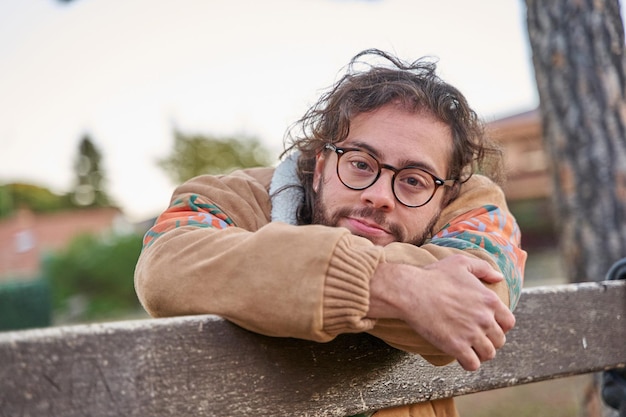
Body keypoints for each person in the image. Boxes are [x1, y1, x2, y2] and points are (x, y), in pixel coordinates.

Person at [134, 49, 527, 417]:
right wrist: (390, 285)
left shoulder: (474, 204)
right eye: (360, 163)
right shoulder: (233, 198)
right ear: (320, 165)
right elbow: (167, 264)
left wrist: (274, 277)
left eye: (413, 180)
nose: (378, 196)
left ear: (445, 195)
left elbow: (478, 303)